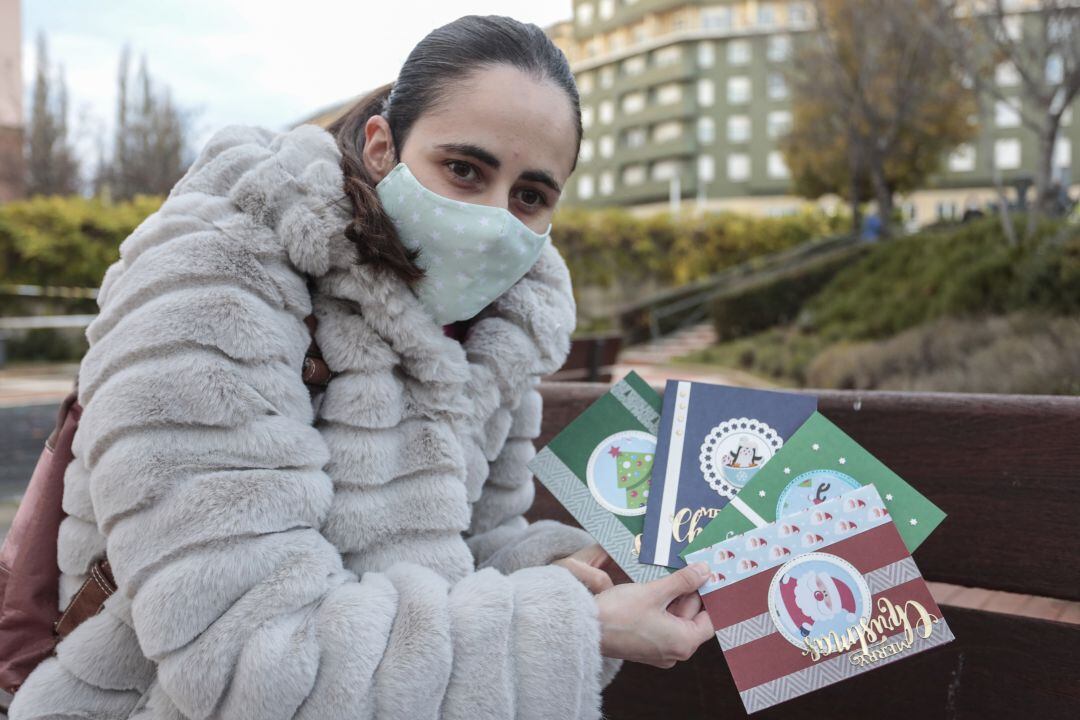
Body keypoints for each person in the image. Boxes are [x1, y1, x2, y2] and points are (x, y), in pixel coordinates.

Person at [9, 15, 714, 720]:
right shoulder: (215, 275)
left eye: (530, 196)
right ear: (382, 147)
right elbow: (252, 661)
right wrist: (576, 628)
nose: (493, 219)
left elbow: (468, 546)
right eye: (464, 170)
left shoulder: (498, 324)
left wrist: (581, 576)